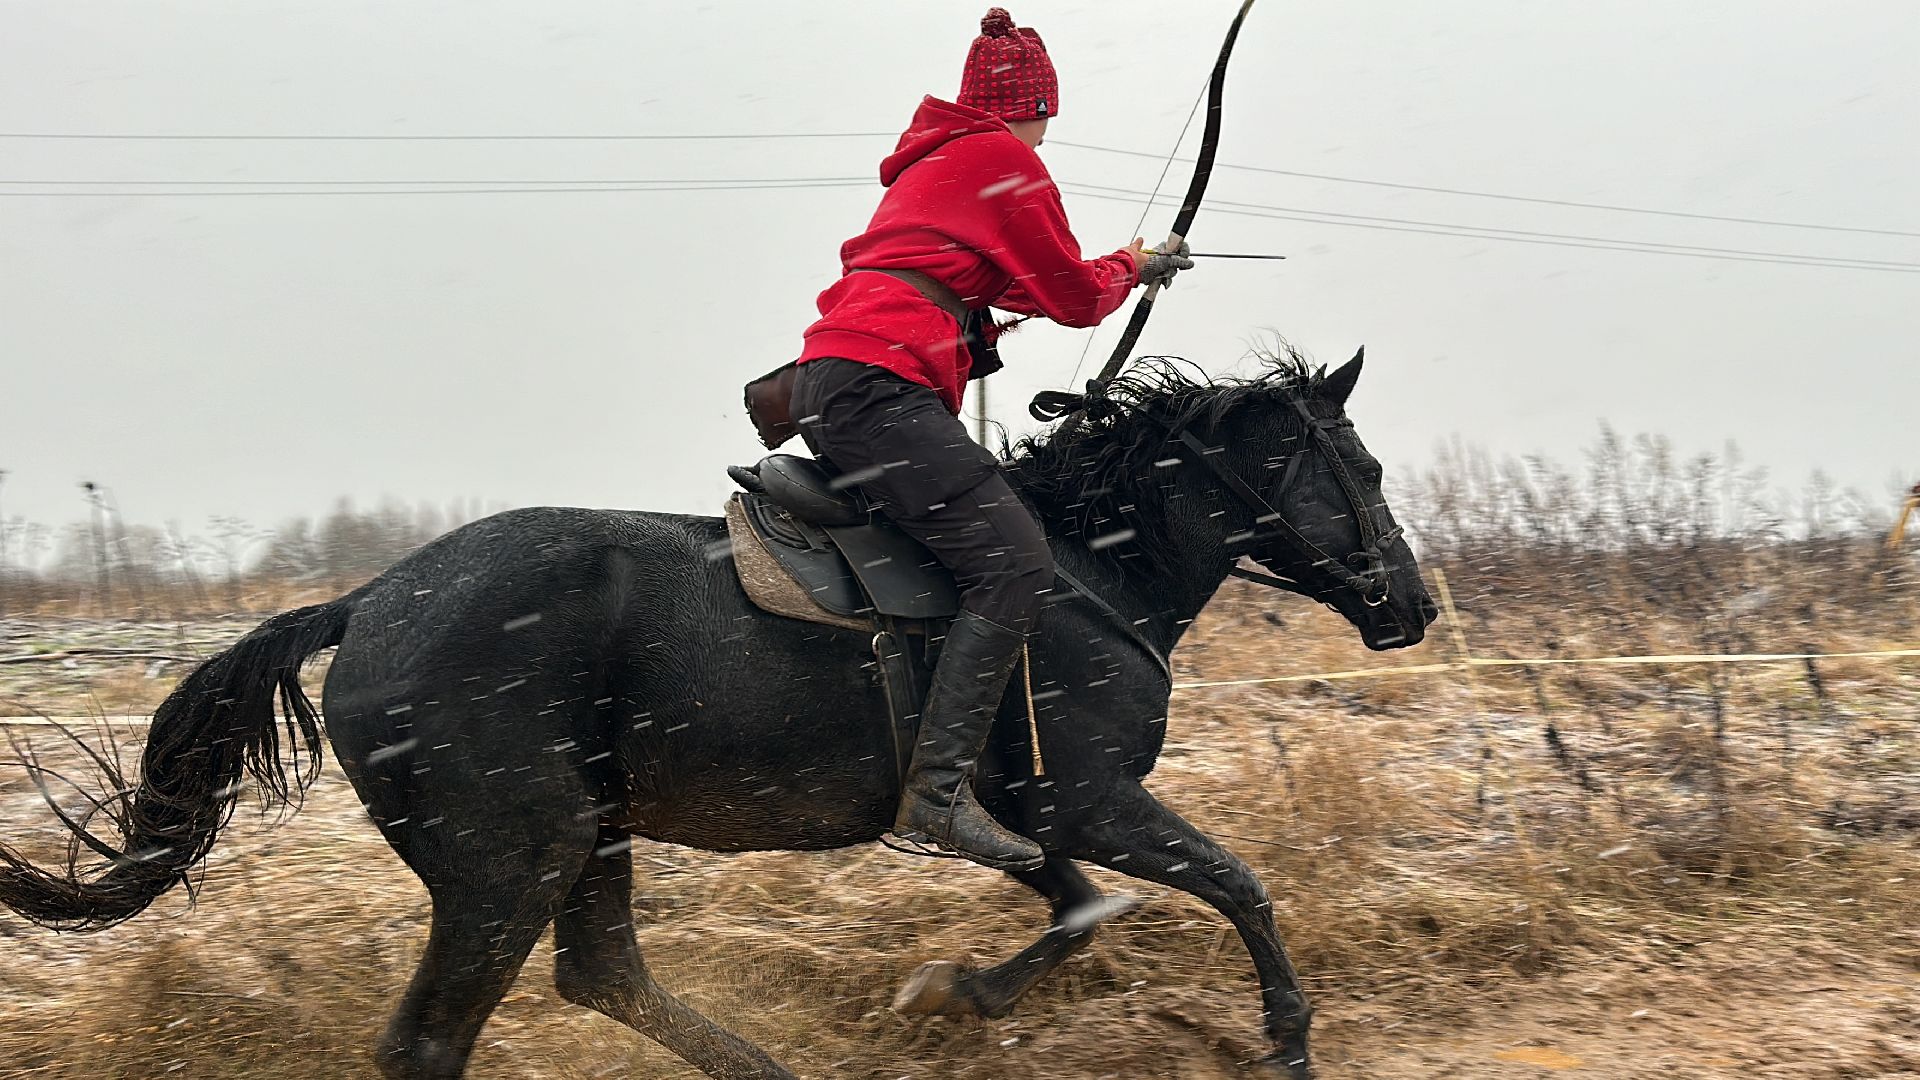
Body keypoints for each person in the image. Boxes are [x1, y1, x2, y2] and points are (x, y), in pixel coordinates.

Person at [788, 7, 1193, 871]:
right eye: (1048, 116)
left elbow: (989, 284)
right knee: (1014, 565)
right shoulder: (1006, 160)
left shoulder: (937, 160)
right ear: (1032, 104)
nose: (1049, 135)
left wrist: (1108, 271)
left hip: (834, 378)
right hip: (882, 386)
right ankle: (935, 799)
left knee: (952, 556)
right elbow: (1073, 296)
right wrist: (1134, 265)